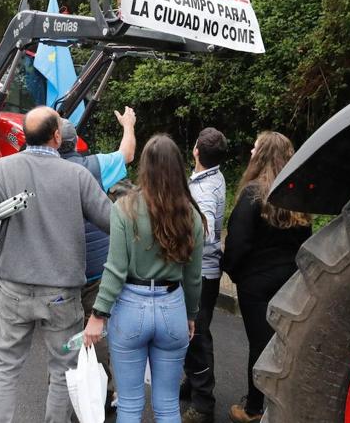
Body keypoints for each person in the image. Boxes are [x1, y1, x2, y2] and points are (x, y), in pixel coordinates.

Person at [0, 106, 112, 423]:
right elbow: (114, 223)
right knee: (63, 368)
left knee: (6, 366)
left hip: (14, 290)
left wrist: (0, 228)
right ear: (57, 136)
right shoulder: (77, 175)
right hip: (62, 294)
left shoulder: (1, 170)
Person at [84, 134, 205, 423]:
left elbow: (115, 268)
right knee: (166, 406)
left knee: (129, 405)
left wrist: (98, 314)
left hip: (130, 308)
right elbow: (194, 277)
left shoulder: (124, 209)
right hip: (172, 308)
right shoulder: (191, 215)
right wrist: (191, 315)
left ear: (144, 168)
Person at [222, 131, 312, 423]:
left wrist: (233, 272)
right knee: (284, 345)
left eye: (255, 147)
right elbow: (306, 241)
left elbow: (238, 243)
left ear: (262, 155)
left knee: (260, 346)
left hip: (255, 284)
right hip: (289, 281)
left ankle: (254, 408)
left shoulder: (253, 193)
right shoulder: (296, 195)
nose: (250, 150)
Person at [57, 107, 136, 408]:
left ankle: (66, 390)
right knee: (96, 329)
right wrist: (128, 125)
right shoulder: (96, 165)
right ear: (76, 143)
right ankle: (102, 393)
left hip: (62, 271)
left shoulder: (42, 172)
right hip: (97, 267)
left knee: (64, 333)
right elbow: (127, 153)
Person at [182, 128, 228, 423]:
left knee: (197, 336)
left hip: (201, 273)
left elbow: (208, 232)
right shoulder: (211, 178)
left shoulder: (204, 190)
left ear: (196, 151)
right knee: (193, 334)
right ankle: (193, 383)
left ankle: (203, 404)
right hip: (206, 272)